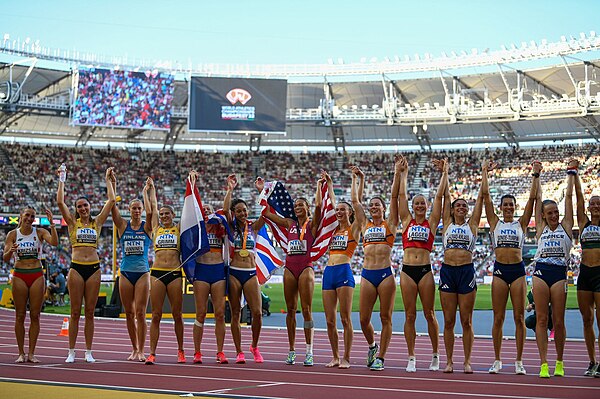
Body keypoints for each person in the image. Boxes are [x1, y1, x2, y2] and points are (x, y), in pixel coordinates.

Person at [258, 174, 324, 367]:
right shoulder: (289, 223)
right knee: (290, 311)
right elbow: (268, 214)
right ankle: (292, 350)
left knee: (307, 310)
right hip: (290, 267)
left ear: (307, 208)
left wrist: (320, 186)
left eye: (301, 205)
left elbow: (319, 208)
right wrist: (262, 191)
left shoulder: (311, 225)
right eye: (296, 206)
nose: (298, 208)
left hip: (305, 267)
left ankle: (309, 351)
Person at [483, 160, 541, 375]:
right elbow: (486, 198)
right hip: (499, 270)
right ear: (501, 208)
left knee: (518, 318)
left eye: (511, 205)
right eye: (505, 204)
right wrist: (484, 173)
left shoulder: (521, 224)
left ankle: (519, 361)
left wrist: (535, 175)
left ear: (514, 207)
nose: (508, 207)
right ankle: (497, 360)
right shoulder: (495, 223)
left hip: (517, 271)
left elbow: (534, 200)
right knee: (498, 317)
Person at [57, 165, 116, 363]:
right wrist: (62, 178)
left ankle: (88, 351)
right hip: (76, 268)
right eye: (79, 206)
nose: (83, 208)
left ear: (90, 207)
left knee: (89, 312)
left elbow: (111, 200)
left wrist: (108, 179)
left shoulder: (97, 223)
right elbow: (59, 201)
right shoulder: (72, 223)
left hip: (94, 268)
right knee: (75, 311)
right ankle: (71, 351)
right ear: (76, 210)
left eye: (85, 205)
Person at [397, 156, 446, 372]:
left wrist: (445, 173)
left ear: (425, 207)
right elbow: (400, 196)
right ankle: (411, 357)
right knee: (409, 314)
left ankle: (436, 355)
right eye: (416, 203)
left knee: (430, 314)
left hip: (425, 270)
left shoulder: (431, 222)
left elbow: (439, 199)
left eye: (422, 204)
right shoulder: (406, 221)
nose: (419, 206)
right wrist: (403, 174)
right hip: (407, 271)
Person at [352, 158, 401, 371]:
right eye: (371, 205)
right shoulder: (364, 224)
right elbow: (355, 202)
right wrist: (359, 179)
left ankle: (381, 356)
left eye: (377, 205)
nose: (373, 208)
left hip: (385, 274)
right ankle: (372, 345)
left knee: (385, 317)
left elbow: (393, 197)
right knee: (363, 319)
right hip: (367, 274)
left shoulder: (390, 224)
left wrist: (398, 173)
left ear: (383, 208)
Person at [439, 160, 485, 374]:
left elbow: (481, 200)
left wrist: (484, 172)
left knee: (466, 320)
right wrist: (445, 172)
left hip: (466, 271)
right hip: (448, 271)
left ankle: (466, 361)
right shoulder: (447, 223)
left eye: (464, 206)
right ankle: (449, 361)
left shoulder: (472, 224)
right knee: (448, 321)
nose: (461, 207)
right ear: (452, 210)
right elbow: (445, 197)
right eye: (458, 205)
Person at [532, 160, 574, 378]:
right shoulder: (540, 228)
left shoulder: (566, 226)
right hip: (541, 270)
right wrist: (536, 175)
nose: (554, 215)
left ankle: (559, 361)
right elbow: (538, 199)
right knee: (541, 318)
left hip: (559, 273)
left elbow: (568, 198)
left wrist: (571, 173)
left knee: (558, 320)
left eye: (555, 212)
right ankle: (543, 363)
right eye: (549, 213)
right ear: (543, 215)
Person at [3, 207, 58, 363]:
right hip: (20, 274)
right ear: (21, 216)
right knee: (20, 315)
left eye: (32, 216)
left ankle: (32, 353)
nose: (29, 218)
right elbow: (6, 258)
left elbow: (54, 242)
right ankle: (21, 353)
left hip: (36, 274)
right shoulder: (12, 234)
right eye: (27, 215)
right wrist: (10, 251)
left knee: (35, 315)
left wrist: (52, 224)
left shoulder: (39, 232)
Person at [223, 174, 266, 364]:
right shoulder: (230, 228)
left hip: (250, 273)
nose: (242, 213)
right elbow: (225, 210)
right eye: (238, 211)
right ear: (234, 213)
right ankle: (239, 351)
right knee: (235, 313)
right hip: (234, 272)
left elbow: (266, 214)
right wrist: (230, 189)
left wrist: (261, 191)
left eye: (244, 210)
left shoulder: (253, 227)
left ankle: (254, 346)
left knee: (256, 312)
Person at [111, 175, 154, 362]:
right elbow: (112, 207)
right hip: (126, 273)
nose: (137, 211)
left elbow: (152, 213)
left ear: (142, 210)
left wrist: (147, 191)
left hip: (143, 272)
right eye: (134, 208)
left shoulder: (147, 227)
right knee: (128, 313)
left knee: (141, 313)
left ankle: (142, 350)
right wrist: (112, 183)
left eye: (139, 208)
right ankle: (134, 348)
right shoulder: (122, 226)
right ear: (129, 210)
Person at [144, 177, 185, 365]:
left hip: (175, 273)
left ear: (173, 215)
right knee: (156, 315)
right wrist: (150, 190)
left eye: (167, 213)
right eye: (162, 214)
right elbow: (151, 207)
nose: (163, 216)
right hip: (158, 273)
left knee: (177, 315)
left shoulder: (178, 228)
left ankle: (181, 350)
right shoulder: (155, 228)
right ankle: (152, 352)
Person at [322, 172, 358, 369]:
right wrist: (329, 184)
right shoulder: (332, 230)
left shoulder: (354, 229)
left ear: (350, 213)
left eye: (343, 210)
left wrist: (354, 181)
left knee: (345, 318)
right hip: (328, 272)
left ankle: (346, 357)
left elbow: (356, 203)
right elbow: (332, 204)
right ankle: (335, 356)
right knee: (329, 320)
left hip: (344, 271)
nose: (339, 212)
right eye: (338, 210)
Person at [192, 171, 228, 364]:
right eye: (203, 209)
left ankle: (220, 351)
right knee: (201, 313)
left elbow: (227, 212)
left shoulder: (220, 227)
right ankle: (197, 352)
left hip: (217, 271)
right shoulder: (196, 230)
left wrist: (229, 190)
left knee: (220, 313)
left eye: (208, 209)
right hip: (201, 271)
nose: (206, 211)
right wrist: (193, 183)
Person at [573, 160, 600, 377]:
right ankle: (592, 361)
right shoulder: (584, 223)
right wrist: (575, 174)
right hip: (585, 274)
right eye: (593, 204)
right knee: (586, 319)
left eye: (599, 204)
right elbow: (579, 199)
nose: (595, 206)